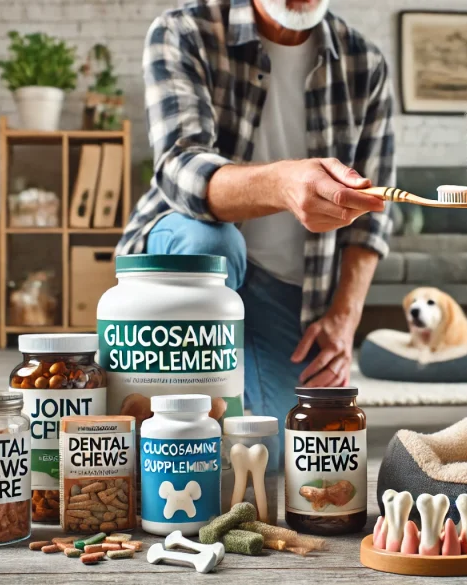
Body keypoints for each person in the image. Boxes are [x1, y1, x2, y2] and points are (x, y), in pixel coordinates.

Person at [116, 0, 394, 427]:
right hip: (191, 252)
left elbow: (372, 216)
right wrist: (283, 184)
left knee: (282, 444)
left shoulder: (365, 63)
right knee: (214, 243)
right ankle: (173, 420)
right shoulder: (184, 30)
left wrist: (343, 320)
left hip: (291, 291)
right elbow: (180, 167)